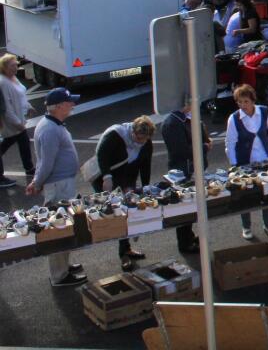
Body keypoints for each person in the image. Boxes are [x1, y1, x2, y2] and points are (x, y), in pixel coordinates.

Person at [28, 88, 85, 286]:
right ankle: (59, 275)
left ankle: (64, 266)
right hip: (59, 186)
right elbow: (46, 163)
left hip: (62, 184)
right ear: (59, 106)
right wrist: (37, 183)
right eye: (70, 102)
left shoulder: (53, 124)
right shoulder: (50, 129)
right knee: (60, 230)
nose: (73, 105)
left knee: (66, 228)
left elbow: (44, 161)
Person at [92, 115, 155, 271]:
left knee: (128, 211)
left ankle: (125, 248)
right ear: (132, 131)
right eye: (138, 138)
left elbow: (145, 165)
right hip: (106, 177)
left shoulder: (146, 143)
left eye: (144, 140)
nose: (140, 142)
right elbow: (102, 155)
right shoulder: (116, 134)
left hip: (126, 177)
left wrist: (145, 188)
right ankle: (123, 252)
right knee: (117, 213)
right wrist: (107, 177)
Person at [225, 85, 268, 241]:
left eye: (246, 101)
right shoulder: (234, 119)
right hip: (244, 162)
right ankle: (246, 227)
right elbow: (230, 143)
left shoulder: (264, 111)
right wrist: (234, 164)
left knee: (266, 193)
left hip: (264, 159)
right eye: (240, 102)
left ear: (253, 100)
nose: (243, 105)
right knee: (245, 195)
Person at [161, 102, 210, 254]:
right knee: (184, 208)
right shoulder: (172, 123)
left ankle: (189, 236)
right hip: (182, 171)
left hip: (192, 168)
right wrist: (204, 146)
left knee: (192, 206)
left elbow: (201, 135)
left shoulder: (187, 118)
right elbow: (180, 150)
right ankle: (185, 243)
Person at [0, 53, 34, 187]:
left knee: (23, 143)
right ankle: (28, 169)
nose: (15, 68)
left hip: (19, 120)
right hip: (10, 123)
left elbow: (21, 95)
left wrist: (29, 106)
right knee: (18, 142)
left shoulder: (13, 78)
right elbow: (6, 108)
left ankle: (29, 169)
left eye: (16, 65)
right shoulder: (3, 82)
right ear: (4, 67)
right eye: (12, 66)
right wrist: (17, 123)